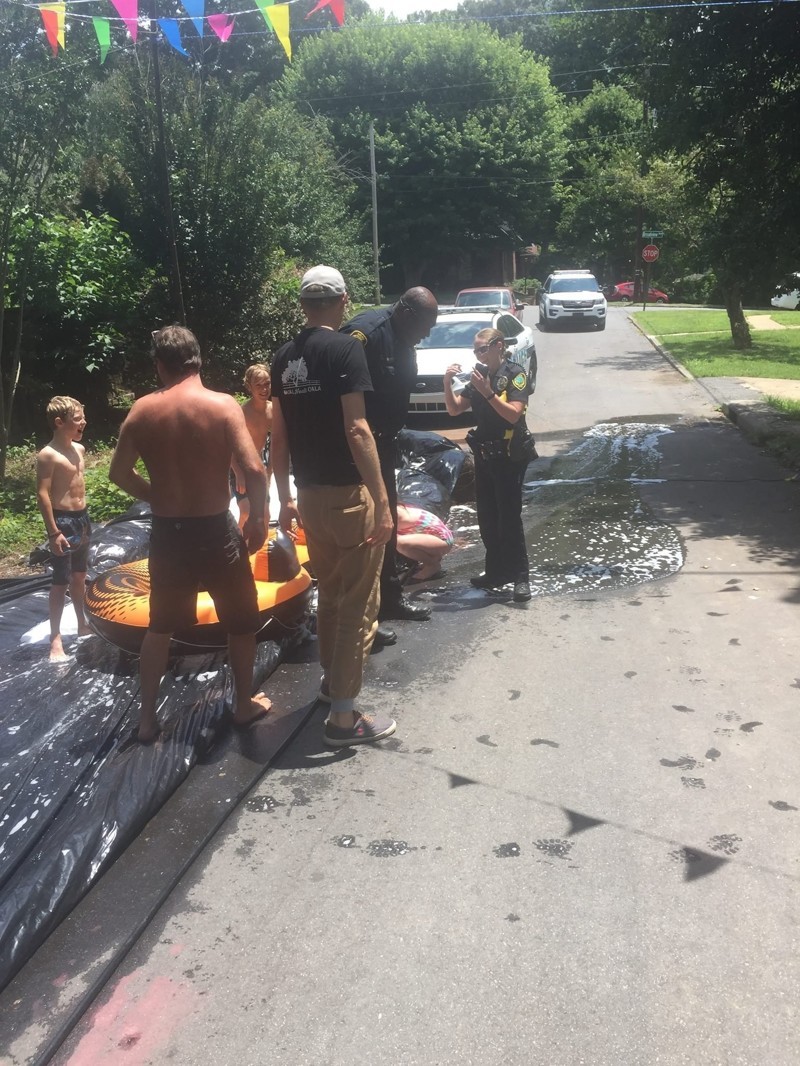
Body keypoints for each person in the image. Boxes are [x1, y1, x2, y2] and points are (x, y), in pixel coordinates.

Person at [109, 325, 270, 744]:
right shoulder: (222, 406)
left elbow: (117, 474)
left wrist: (155, 495)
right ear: (198, 359)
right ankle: (243, 703)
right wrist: (258, 519)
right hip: (214, 528)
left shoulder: (142, 410)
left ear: (160, 365)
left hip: (168, 530)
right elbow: (254, 469)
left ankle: (147, 721)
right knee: (240, 621)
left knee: (159, 626)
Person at [271, 265, 396, 747]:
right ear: (343, 300)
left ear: (304, 304)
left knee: (329, 593)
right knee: (357, 603)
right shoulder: (347, 348)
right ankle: (343, 719)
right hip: (348, 497)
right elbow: (358, 429)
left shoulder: (283, 358)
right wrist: (382, 501)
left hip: (309, 496)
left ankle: (330, 685)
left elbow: (277, 439)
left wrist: (285, 498)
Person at [341, 287, 438, 623]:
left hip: (387, 443)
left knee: (388, 524)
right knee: (368, 527)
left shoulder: (405, 336)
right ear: (407, 313)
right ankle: (366, 614)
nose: (426, 335)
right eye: (425, 326)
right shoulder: (365, 335)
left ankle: (390, 600)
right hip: (360, 448)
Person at [443, 327, 535, 603]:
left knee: (508, 517)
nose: (478, 354)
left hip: (509, 456)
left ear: (498, 345)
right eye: (475, 350)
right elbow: (454, 409)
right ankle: (496, 571)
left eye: (482, 348)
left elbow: (513, 415)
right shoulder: (480, 375)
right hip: (485, 454)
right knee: (486, 517)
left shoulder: (516, 374)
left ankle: (521, 577)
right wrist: (446, 382)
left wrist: (489, 393)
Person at [36, 396, 92, 661]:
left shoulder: (79, 449)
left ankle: (82, 623)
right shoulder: (48, 455)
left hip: (82, 519)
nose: (83, 422)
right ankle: (55, 639)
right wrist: (53, 531)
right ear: (59, 423)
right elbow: (43, 495)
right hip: (63, 523)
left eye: (82, 417)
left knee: (80, 576)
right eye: (77, 419)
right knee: (60, 582)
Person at [231, 363, 272, 530]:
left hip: (258, 465)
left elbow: (278, 444)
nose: (264, 389)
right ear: (249, 386)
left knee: (265, 514)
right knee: (247, 512)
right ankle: (238, 549)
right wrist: (238, 473)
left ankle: (263, 551)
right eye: (258, 385)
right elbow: (230, 447)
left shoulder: (273, 410)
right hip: (239, 465)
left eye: (267, 384)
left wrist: (269, 471)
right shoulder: (242, 412)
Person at [396, 502, 454, 581]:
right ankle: (433, 557)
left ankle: (432, 564)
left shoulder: (395, 514)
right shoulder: (396, 508)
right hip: (435, 539)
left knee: (399, 543)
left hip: (441, 541)